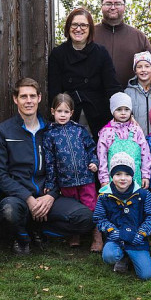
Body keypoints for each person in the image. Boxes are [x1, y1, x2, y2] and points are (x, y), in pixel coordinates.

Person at [0, 78, 93, 255]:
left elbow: (64, 167)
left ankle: (41, 230)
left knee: (86, 218)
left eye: (32, 96)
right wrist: (28, 198)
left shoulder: (52, 130)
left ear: (39, 98)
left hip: (48, 196)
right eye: (23, 96)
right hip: (19, 197)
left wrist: (51, 196)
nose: (28, 101)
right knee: (8, 212)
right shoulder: (2, 131)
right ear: (16, 99)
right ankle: (24, 236)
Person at [47, 7, 122, 138]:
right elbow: (54, 91)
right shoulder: (58, 54)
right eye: (75, 24)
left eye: (83, 25)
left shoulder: (101, 53)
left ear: (90, 29)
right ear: (68, 27)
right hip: (69, 115)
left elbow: (112, 86)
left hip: (98, 115)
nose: (78, 29)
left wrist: (122, 109)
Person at [43, 94, 102, 251]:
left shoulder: (79, 130)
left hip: (85, 178)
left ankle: (97, 235)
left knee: (91, 205)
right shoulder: (49, 135)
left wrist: (94, 162)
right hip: (66, 181)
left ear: (72, 113)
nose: (63, 115)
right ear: (52, 111)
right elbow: (49, 161)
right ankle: (75, 233)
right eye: (59, 111)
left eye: (66, 112)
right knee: (74, 208)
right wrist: (50, 182)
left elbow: (91, 148)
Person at [93, 152, 151, 281]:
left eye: (127, 174)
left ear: (133, 176)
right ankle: (121, 257)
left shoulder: (144, 195)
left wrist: (142, 233)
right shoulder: (104, 196)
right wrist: (112, 231)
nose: (123, 178)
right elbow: (99, 218)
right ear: (112, 176)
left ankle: (132, 257)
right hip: (116, 238)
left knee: (146, 275)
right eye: (118, 174)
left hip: (137, 239)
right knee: (109, 256)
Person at [93, 0, 151, 88]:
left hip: (130, 99)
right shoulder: (89, 34)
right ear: (101, 6)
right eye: (108, 3)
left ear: (124, 7)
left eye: (117, 4)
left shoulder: (139, 37)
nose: (113, 7)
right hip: (93, 98)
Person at [96, 92, 151, 190]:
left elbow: (145, 153)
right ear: (112, 111)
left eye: (126, 109)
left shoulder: (136, 130)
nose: (123, 113)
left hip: (136, 179)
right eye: (119, 109)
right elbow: (102, 157)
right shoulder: (106, 132)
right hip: (113, 181)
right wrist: (104, 179)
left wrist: (145, 175)